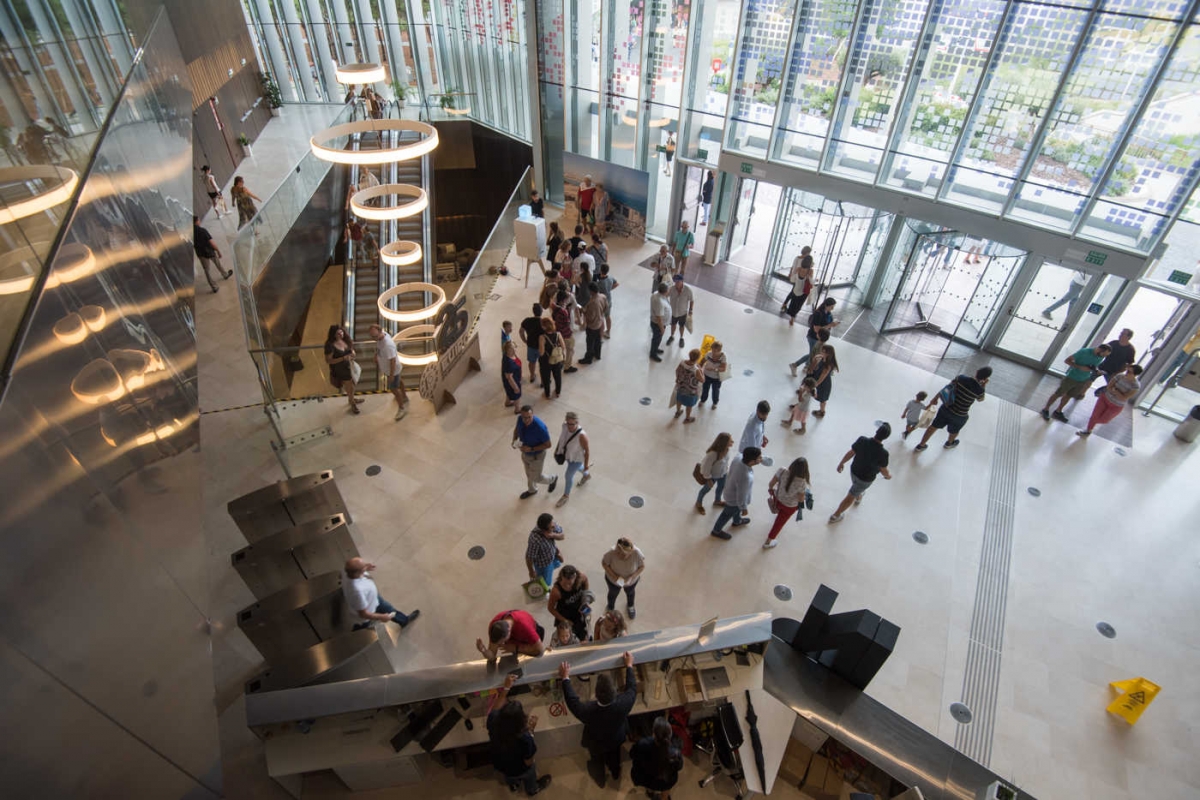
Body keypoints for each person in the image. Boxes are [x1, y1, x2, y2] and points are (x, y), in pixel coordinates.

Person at [558, 652, 637, 788]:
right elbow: (632, 689)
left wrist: (565, 678)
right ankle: (615, 772)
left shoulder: (587, 711)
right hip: (615, 739)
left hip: (595, 742)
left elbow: (572, 701)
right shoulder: (623, 704)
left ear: (596, 694)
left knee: (596, 760)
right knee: (615, 757)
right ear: (615, 693)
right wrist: (629, 666)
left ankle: (600, 779)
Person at [487, 673, 553, 795]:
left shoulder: (493, 721)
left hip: (502, 766)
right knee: (530, 774)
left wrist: (506, 688)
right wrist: (531, 730)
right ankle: (532, 789)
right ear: (521, 721)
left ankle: (514, 785)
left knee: (510, 777)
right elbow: (528, 761)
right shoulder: (525, 738)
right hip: (520, 769)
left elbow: (495, 708)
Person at [915, 366, 991, 450]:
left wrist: (935, 398)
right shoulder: (980, 390)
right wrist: (983, 385)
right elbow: (981, 399)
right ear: (986, 378)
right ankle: (949, 443)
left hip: (946, 408)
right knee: (954, 430)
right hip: (960, 415)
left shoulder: (961, 378)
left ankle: (921, 445)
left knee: (934, 426)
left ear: (977, 372)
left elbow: (947, 387)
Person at [829, 424, 892, 522]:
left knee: (856, 487)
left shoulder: (862, 440)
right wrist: (888, 476)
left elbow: (851, 452)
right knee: (851, 495)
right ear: (886, 437)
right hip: (865, 479)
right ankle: (836, 515)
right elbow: (883, 469)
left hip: (854, 471)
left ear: (876, 431)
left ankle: (859, 496)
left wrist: (842, 463)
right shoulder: (883, 453)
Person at [1039, 344, 1111, 423]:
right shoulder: (1084, 352)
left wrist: (1096, 370)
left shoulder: (1100, 357)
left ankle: (1058, 411)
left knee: (1069, 395)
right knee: (1058, 393)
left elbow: (1094, 366)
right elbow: (1067, 360)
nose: (1103, 356)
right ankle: (1045, 409)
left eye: (1105, 355)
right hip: (1072, 377)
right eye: (1103, 354)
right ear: (1099, 349)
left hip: (1083, 379)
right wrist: (1079, 367)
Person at [342, 557, 420, 630]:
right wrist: (381, 617)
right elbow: (363, 614)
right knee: (362, 626)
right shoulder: (357, 591)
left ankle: (404, 621)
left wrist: (365, 568)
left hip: (374, 599)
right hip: (369, 609)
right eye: (364, 567)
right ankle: (355, 637)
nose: (366, 565)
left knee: (390, 609)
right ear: (358, 572)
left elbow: (358, 572)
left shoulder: (347, 573)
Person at [711, 447, 761, 540]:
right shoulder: (745, 476)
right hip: (734, 500)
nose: (761, 459)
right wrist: (744, 508)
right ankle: (716, 531)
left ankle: (737, 521)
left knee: (736, 511)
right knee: (726, 515)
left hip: (729, 488)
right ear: (752, 461)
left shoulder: (739, 457)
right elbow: (741, 495)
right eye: (759, 458)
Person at [1079, 363, 1142, 437]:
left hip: (1116, 405)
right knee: (1094, 415)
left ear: (1135, 375)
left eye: (1129, 372)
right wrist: (1118, 392)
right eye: (1127, 370)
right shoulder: (1120, 376)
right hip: (1105, 398)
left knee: (1104, 420)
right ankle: (1088, 430)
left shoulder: (1135, 386)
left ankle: (1092, 422)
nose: (1126, 373)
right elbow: (1109, 387)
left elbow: (1124, 398)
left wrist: (1115, 390)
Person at [631, 716, 684, 800]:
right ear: (670, 734)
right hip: (666, 781)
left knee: (648, 783)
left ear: (654, 734)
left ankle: (650, 792)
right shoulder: (675, 752)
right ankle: (664, 798)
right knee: (666, 787)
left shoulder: (642, 744)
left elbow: (632, 755)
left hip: (647, 779)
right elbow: (679, 767)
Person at [764, 458, 810, 549]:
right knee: (779, 523)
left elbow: (771, 484)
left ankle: (778, 511)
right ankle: (768, 542)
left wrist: (771, 490)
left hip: (778, 499)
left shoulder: (782, 471)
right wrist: (802, 504)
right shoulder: (802, 482)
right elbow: (801, 499)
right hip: (790, 506)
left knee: (778, 511)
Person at [513, 405, 558, 499]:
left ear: (532, 414)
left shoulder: (540, 428)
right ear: (521, 415)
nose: (526, 420)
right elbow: (517, 429)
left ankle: (552, 479)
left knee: (536, 477)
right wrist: (514, 440)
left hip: (537, 455)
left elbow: (548, 444)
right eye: (524, 417)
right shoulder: (520, 419)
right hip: (525, 453)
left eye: (529, 417)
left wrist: (531, 449)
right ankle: (532, 490)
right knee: (529, 474)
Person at [367, 324, 410, 420]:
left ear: (380, 331)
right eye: (372, 336)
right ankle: (404, 396)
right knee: (400, 381)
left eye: (375, 336)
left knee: (394, 389)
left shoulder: (388, 345)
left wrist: (391, 375)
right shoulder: (383, 336)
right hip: (391, 370)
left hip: (392, 371)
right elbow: (379, 348)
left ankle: (401, 408)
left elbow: (392, 361)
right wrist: (376, 355)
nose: (374, 338)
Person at [789, 297, 838, 374]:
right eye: (831, 307)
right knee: (813, 354)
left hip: (820, 338)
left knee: (813, 354)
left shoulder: (828, 314)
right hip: (813, 337)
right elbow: (816, 329)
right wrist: (830, 325)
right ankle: (796, 365)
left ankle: (804, 365)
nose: (832, 309)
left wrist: (832, 324)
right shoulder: (818, 313)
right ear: (826, 305)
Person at [477, 609, 546, 660]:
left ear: (509, 632)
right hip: (514, 645)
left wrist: (516, 648)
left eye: (502, 641)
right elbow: (492, 656)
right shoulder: (494, 627)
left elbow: (540, 650)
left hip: (530, 635)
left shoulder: (524, 626)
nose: (500, 644)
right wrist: (483, 651)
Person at [555, 411, 591, 507]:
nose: (570, 426)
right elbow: (562, 438)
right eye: (568, 423)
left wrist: (586, 465)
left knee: (568, 476)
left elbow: (587, 451)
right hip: (567, 456)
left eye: (572, 424)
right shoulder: (564, 426)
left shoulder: (582, 435)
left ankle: (566, 496)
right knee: (575, 469)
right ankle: (586, 475)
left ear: (577, 423)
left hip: (577, 459)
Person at [601, 537, 644, 619]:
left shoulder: (636, 553)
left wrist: (631, 577)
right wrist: (616, 577)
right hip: (613, 581)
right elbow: (604, 563)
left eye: (623, 554)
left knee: (630, 593)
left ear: (630, 552)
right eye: (618, 552)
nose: (619, 556)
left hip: (631, 582)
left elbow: (642, 566)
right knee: (612, 594)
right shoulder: (612, 552)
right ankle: (610, 607)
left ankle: (630, 606)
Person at [324, 325, 362, 414]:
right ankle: (352, 403)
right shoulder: (330, 345)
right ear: (333, 334)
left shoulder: (346, 340)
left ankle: (351, 399)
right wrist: (343, 358)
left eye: (341, 332)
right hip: (340, 369)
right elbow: (328, 360)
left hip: (349, 366)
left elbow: (351, 350)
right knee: (349, 386)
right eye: (338, 333)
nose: (341, 334)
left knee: (352, 385)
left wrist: (353, 353)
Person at [547, 565, 590, 643]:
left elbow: (586, 583)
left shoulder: (581, 578)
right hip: (565, 615)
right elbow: (551, 608)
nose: (567, 586)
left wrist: (585, 601)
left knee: (584, 638)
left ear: (575, 577)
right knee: (565, 639)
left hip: (578, 612)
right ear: (561, 577)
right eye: (565, 583)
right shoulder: (556, 591)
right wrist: (565, 621)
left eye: (570, 583)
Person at [696, 432, 733, 515]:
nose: (732, 442)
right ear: (724, 442)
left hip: (723, 474)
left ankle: (717, 501)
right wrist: (708, 479)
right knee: (705, 490)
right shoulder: (712, 454)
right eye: (730, 441)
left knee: (721, 487)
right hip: (712, 476)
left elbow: (726, 462)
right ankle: (698, 503)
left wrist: (726, 471)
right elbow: (705, 467)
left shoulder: (727, 450)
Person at [193, 215, 232, 293]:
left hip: (200, 253)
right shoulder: (202, 230)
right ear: (197, 221)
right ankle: (225, 274)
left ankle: (214, 287)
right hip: (209, 251)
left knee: (207, 270)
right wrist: (218, 251)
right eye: (199, 220)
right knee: (217, 263)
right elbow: (211, 242)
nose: (199, 221)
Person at [526, 512, 564, 588]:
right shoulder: (535, 540)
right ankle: (544, 589)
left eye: (553, 523)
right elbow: (529, 557)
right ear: (544, 530)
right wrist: (531, 571)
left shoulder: (552, 524)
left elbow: (562, 536)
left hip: (552, 555)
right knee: (545, 581)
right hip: (543, 564)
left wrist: (553, 535)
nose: (554, 526)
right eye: (552, 527)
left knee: (554, 567)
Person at [783, 247, 814, 325]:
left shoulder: (799, 269)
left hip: (797, 288)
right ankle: (793, 317)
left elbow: (793, 280)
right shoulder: (810, 271)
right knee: (799, 304)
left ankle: (789, 310)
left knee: (793, 301)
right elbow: (811, 282)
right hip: (804, 291)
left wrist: (793, 275)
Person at [806, 344, 838, 418]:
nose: (821, 352)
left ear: (828, 354)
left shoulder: (828, 365)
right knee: (815, 395)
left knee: (822, 399)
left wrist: (816, 384)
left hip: (824, 384)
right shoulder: (822, 359)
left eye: (823, 351)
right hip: (817, 379)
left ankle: (822, 411)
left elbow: (823, 376)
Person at [673, 349, 703, 423]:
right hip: (691, 391)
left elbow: (677, 370)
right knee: (689, 405)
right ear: (698, 358)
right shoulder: (696, 370)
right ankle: (687, 418)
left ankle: (678, 412)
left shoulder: (682, 362)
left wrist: (677, 378)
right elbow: (702, 380)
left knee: (679, 400)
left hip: (681, 386)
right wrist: (701, 370)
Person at [550, 291, 577, 374]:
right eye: (566, 299)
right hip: (566, 334)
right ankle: (567, 367)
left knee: (561, 349)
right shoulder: (563, 311)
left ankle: (561, 362)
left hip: (559, 333)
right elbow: (567, 323)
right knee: (570, 350)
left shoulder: (554, 307)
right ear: (563, 300)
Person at [579, 285, 607, 364]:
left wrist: (583, 311)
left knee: (590, 343)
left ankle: (588, 359)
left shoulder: (593, 302)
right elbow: (606, 307)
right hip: (600, 322)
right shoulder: (603, 296)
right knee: (598, 340)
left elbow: (590, 317)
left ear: (591, 291)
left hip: (592, 326)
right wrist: (600, 315)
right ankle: (597, 355)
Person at [539, 317, 565, 398]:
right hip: (557, 359)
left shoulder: (542, 337)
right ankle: (558, 392)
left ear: (544, 327)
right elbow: (563, 347)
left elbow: (541, 352)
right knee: (558, 377)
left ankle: (547, 394)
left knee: (546, 378)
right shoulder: (558, 334)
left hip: (546, 361)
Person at [665, 274, 694, 348]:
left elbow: (691, 300)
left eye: (678, 282)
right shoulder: (671, 288)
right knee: (673, 325)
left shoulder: (688, 290)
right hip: (673, 312)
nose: (676, 284)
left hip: (682, 312)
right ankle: (672, 336)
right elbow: (665, 296)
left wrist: (690, 310)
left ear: (682, 281)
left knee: (681, 326)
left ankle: (681, 338)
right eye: (675, 282)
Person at [519, 304, 544, 385]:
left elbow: (521, 331)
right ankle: (543, 381)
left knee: (532, 362)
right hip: (541, 347)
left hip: (531, 346)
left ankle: (532, 376)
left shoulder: (527, 321)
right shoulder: (544, 322)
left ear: (533, 312)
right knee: (543, 364)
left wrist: (524, 340)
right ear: (542, 312)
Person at [699, 340, 728, 409]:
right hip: (706, 375)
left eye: (715, 351)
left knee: (715, 391)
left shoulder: (723, 357)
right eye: (712, 350)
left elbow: (723, 368)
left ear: (719, 350)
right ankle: (703, 400)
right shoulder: (709, 354)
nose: (713, 352)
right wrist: (699, 368)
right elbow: (702, 361)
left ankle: (715, 403)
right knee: (705, 389)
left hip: (717, 378)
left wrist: (714, 369)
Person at [596, 264, 618, 338]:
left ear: (601, 270)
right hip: (608, 300)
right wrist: (609, 289)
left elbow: (596, 292)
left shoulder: (600, 283)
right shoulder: (610, 278)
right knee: (608, 316)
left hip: (601, 302)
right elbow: (617, 284)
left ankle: (600, 332)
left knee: (600, 317)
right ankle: (608, 331)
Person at [650, 282, 670, 362]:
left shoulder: (656, 293)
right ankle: (653, 354)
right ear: (665, 291)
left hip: (658, 323)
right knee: (656, 339)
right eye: (668, 290)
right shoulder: (659, 302)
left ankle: (656, 349)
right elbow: (659, 318)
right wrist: (662, 329)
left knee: (657, 339)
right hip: (658, 324)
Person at [502, 340, 523, 411]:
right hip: (512, 381)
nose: (514, 350)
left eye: (514, 347)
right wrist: (515, 387)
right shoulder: (509, 363)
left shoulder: (509, 355)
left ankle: (507, 403)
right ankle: (517, 409)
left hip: (515, 378)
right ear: (506, 350)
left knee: (509, 392)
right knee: (517, 394)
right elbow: (509, 377)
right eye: (511, 349)